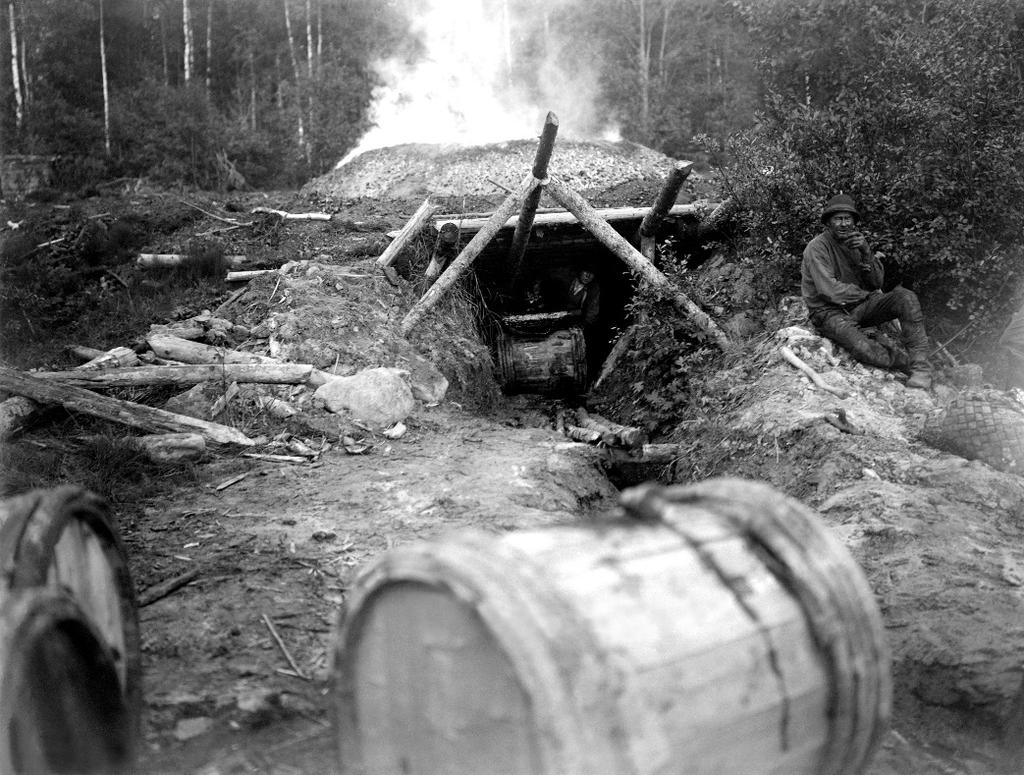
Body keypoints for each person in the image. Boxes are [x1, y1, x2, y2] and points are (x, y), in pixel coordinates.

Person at [801, 194, 933, 390]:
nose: (844, 224)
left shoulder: (856, 243)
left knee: (906, 298)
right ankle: (904, 362)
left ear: (854, 221)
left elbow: (876, 282)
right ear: (828, 222)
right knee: (865, 350)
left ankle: (921, 369)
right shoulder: (817, 247)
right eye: (838, 219)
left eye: (848, 219)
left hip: (859, 306)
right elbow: (830, 291)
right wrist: (865, 295)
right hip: (828, 312)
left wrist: (866, 252)